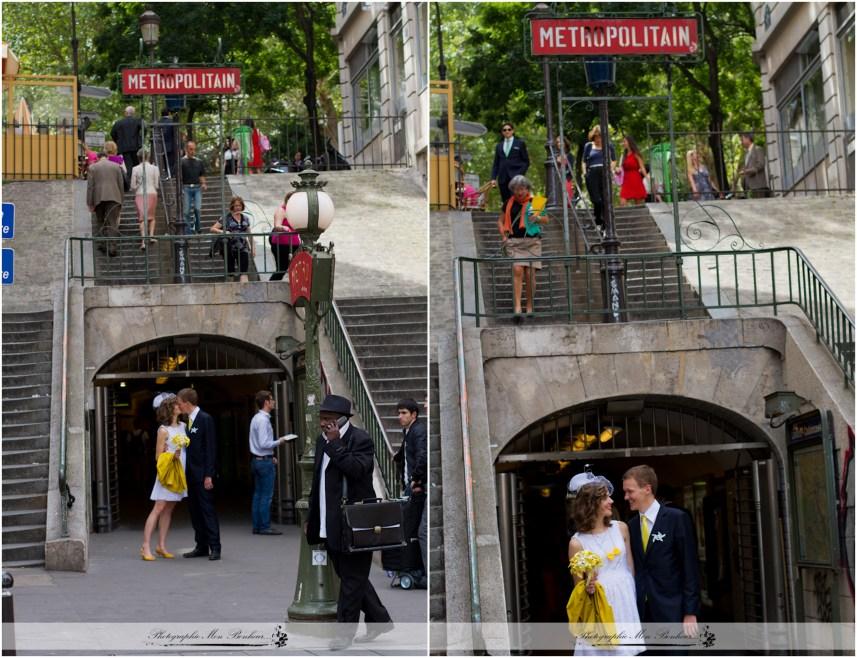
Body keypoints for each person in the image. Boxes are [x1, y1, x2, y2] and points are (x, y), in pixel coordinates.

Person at [305, 394, 394, 650]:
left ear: (342, 420)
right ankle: (379, 620)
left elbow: (358, 470)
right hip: (329, 522)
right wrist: (312, 517)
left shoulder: (360, 439)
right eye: (322, 418)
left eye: (329, 419)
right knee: (350, 577)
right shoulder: (322, 441)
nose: (324, 424)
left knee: (352, 580)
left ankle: (344, 634)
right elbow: (318, 483)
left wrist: (336, 444)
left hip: (354, 523)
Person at [568, 471, 642, 655]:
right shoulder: (577, 543)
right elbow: (578, 590)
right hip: (601, 605)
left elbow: (630, 567)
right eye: (605, 498)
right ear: (591, 503)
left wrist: (631, 594)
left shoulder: (621, 528)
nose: (611, 501)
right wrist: (588, 587)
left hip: (625, 600)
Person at [622, 465, 700, 637]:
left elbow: (690, 567)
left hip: (673, 611)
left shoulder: (677, 518)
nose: (626, 497)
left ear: (647, 489)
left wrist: (690, 612)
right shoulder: (631, 526)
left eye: (630, 491)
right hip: (642, 614)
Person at [496, 175, 550, 321]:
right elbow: (500, 221)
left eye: (522, 189)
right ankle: (517, 307)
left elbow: (546, 220)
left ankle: (530, 305)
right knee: (517, 270)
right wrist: (504, 236)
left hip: (532, 242)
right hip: (514, 242)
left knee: (530, 274)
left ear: (527, 189)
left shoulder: (536, 202)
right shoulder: (508, 203)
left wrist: (537, 218)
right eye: (516, 189)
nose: (519, 192)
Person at [140, 394, 187, 561]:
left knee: (169, 509)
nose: (180, 406)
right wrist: (172, 456)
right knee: (159, 507)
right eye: (176, 404)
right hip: (167, 473)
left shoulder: (183, 426)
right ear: (170, 408)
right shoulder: (163, 430)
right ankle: (146, 545)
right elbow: (158, 456)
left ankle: (161, 545)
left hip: (179, 473)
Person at [177, 388, 221, 561]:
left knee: (207, 510)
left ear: (187, 403)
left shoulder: (205, 419)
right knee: (194, 511)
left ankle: (215, 547)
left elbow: (211, 448)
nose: (178, 407)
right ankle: (201, 545)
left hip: (202, 474)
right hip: (189, 473)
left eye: (180, 403)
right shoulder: (186, 421)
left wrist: (209, 474)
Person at [393, 398, 428, 571]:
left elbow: (422, 455)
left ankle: (417, 570)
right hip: (411, 484)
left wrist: (416, 479)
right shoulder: (408, 431)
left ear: (414, 414)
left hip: (415, 485)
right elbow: (408, 453)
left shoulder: (418, 430)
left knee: (416, 529)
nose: (400, 416)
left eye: (404, 413)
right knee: (409, 528)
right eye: (399, 413)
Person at [249, 390, 289, 535]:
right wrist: (280, 441)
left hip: (257, 459)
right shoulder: (263, 420)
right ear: (266, 402)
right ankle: (265, 526)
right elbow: (264, 443)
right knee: (266, 495)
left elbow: (258, 444)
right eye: (272, 399)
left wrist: (269, 455)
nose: (274, 402)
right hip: (264, 463)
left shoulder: (256, 418)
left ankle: (257, 525)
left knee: (258, 494)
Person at [86, 152, 125, 257]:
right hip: (114, 197)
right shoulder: (116, 166)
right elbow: (120, 184)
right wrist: (121, 199)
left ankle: (102, 244)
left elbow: (90, 187)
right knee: (112, 222)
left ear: (98, 158)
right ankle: (112, 247)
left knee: (100, 221)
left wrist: (89, 202)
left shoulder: (92, 168)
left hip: (98, 197)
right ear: (107, 157)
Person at [582, 125, 617, 235]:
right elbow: (584, 161)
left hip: (604, 173)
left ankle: (605, 226)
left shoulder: (609, 145)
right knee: (596, 200)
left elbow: (614, 160)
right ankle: (598, 220)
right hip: (592, 173)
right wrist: (585, 173)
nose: (598, 139)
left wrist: (610, 169)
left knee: (605, 200)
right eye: (596, 137)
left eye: (600, 137)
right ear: (593, 136)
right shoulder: (588, 146)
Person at [211, 195, 254, 283]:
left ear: (242, 206)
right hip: (229, 247)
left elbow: (249, 234)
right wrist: (223, 232)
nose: (238, 207)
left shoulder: (246, 218)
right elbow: (212, 228)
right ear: (232, 206)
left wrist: (253, 248)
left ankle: (245, 287)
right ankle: (230, 286)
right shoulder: (226, 217)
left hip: (243, 247)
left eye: (240, 205)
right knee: (230, 271)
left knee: (244, 271)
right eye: (236, 205)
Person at [491, 122, 530, 207]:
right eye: (504, 130)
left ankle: (517, 215)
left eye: (509, 129)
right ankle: (507, 215)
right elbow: (496, 163)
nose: (507, 131)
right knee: (506, 202)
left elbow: (526, 162)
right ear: (502, 132)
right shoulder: (499, 146)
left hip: (516, 178)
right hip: (502, 178)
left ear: (513, 131)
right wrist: (493, 178)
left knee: (516, 200)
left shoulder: (520, 143)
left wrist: (520, 174)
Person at [130, 148, 160, 250]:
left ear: (138, 157)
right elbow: (156, 185)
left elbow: (132, 186)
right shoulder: (155, 168)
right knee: (152, 217)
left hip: (140, 194)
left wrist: (137, 186)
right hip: (152, 193)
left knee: (142, 218)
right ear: (148, 156)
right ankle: (151, 236)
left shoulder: (135, 169)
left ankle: (143, 241)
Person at [270, 191, 301, 281]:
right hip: (281, 244)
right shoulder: (281, 210)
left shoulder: (295, 211)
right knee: (281, 269)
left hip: (294, 245)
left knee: (296, 268)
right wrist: (283, 227)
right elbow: (277, 225)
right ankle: (270, 285)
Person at [111, 106, 141, 189]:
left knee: (128, 166)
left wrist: (118, 141)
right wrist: (140, 139)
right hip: (135, 147)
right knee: (136, 165)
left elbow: (112, 133)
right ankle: (137, 183)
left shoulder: (118, 123)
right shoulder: (137, 122)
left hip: (123, 148)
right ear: (133, 113)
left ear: (125, 113)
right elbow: (144, 129)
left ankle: (129, 185)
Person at [180, 141, 207, 234]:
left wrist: (203, 183)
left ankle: (197, 228)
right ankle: (188, 231)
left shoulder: (199, 162)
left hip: (197, 188)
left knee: (197, 209)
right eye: (191, 149)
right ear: (186, 149)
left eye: (194, 149)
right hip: (186, 187)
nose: (193, 151)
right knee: (186, 211)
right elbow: (179, 176)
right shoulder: (181, 162)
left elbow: (201, 174)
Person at [616, 135, 648, 207]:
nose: (623, 143)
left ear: (629, 142)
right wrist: (617, 170)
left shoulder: (636, 154)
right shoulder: (623, 155)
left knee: (639, 204)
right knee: (622, 202)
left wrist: (647, 178)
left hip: (636, 179)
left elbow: (642, 167)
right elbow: (620, 168)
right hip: (626, 181)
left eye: (624, 141)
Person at [738, 132, 770, 198]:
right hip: (749, 187)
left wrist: (747, 171)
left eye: (742, 139)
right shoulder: (746, 153)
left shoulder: (758, 149)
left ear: (748, 139)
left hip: (758, 186)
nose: (741, 142)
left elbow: (761, 164)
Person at [156, 108, 177, 179]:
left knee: (165, 161)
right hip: (171, 145)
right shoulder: (172, 122)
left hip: (160, 146)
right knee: (171, 161)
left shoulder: (158, 123)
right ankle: (170, 175)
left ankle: (166, 174)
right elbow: (175, 135)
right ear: (169, 113)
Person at [555, 135, 576, 207]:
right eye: (557, 142)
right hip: (557, 181)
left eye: (561, 142)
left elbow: (570, 170)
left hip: (566, 180)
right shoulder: (555, 156)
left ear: (565, 143)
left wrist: (561, 162)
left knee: (568, 202)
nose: (559, 144)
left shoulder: (570, 155)